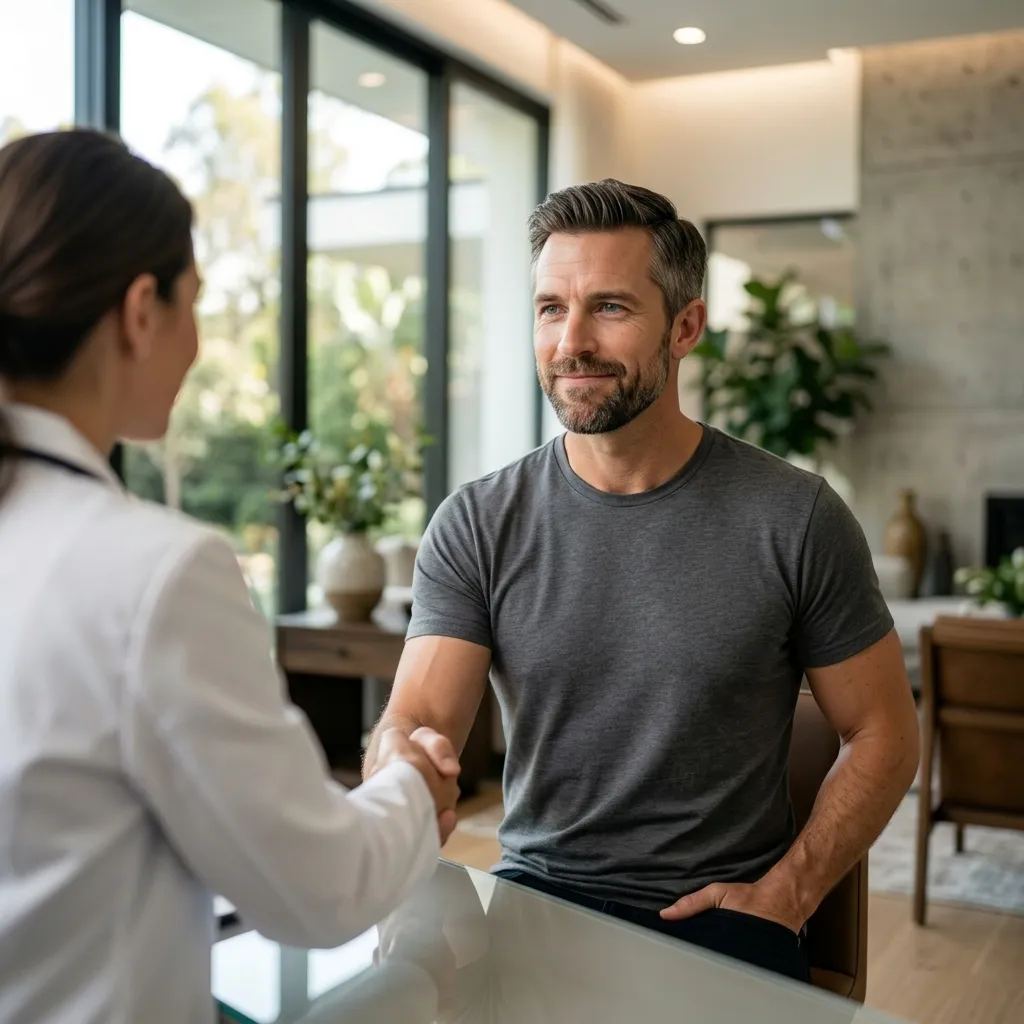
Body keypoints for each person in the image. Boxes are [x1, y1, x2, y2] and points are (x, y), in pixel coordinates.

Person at [364, 178, 920, 984]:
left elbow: (886, 733)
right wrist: (392, 760)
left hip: (721, 922)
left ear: (685, 326)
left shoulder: (795, 517)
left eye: (610, 308)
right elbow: (415, 720)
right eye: (551, 308)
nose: (572, 341)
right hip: (535, 903)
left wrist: (789, 894)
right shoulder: (478, 523)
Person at [0, 129, 461, 1024]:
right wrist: (410, 784)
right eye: (194, 305)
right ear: (141, 310)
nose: (199, 341)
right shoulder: (151, 576)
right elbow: (319, 892)